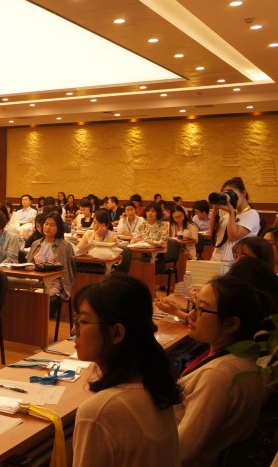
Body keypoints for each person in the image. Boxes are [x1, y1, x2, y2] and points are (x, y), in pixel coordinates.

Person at [71, 274, 182, 467]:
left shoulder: (99, 412)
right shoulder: (157, 388)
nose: (74, 331)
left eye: (83, 322)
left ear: (116, 333)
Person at [175, 275, 276, 467]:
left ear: (231, 324)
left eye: (201, 309)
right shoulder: (246, 358)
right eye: (194, 305)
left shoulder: (218, 376)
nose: (191, 315)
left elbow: (180, 452)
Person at [210, 177, 260, 263]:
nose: (230, 198)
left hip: (235, 264)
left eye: (232, 193)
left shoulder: (252, 214)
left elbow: (233, 236)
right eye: (226, 194)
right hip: (217, 260)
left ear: (243, 192)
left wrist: (231, 212)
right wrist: (215, 210)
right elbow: (212, 231)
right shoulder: (227, 216)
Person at [26, 212, 76, 296]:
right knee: (18, 292)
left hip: (53, 284)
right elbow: (29, 265)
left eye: (52, 225)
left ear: (58, 228)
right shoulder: (35, 244)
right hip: (35, 281)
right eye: (46, 224)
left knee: (36, 295)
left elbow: (68, 270)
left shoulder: (65, 246)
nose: (48, 227)